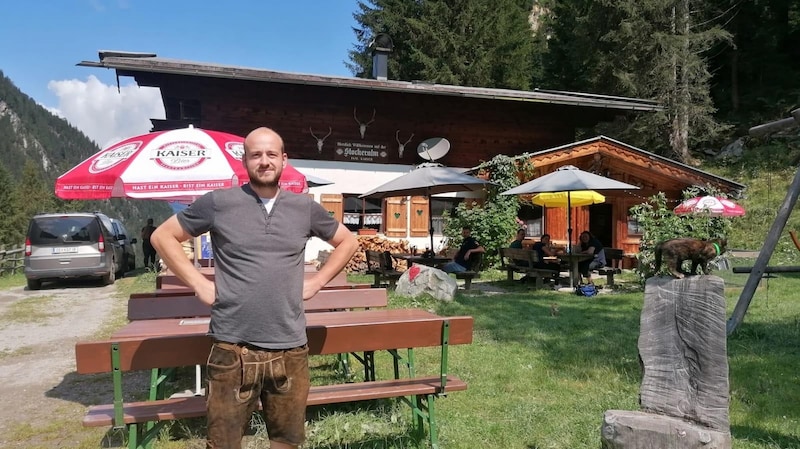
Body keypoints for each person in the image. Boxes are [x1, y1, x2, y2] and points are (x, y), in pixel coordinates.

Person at [150, 127, 358, 449]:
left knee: (287, 441)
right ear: (244, 160)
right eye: (256, 154)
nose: (264, 161)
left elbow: (348, 241)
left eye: (271, 154)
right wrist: (199, 284)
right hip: (233, 348)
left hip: (290, 348)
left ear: (284, 160)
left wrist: (317, 282)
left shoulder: (304, 208)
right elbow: (162, 237)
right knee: (223, 443)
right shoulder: (218, 203)